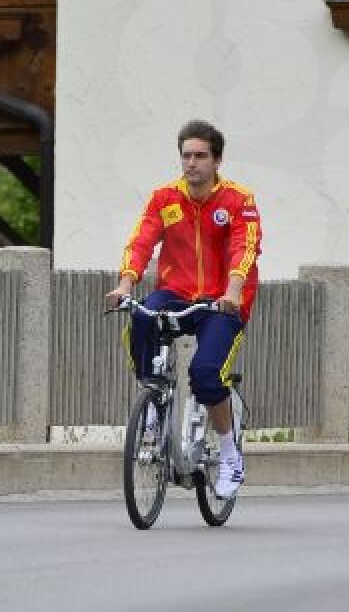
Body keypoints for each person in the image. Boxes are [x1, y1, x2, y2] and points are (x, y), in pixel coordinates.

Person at [106, 119, 262, 499]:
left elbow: (246, 246)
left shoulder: (237, 200)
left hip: (222, 300)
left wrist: (233, 291)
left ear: (217, 160)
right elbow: (142, 240)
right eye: (186, 156)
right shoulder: (165, 198)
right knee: (141, 316)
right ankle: (153, 403)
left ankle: (229, 455)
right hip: (176, 291)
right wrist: (125, 283)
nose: (191, 163)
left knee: (206, 375)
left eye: (200, 156)